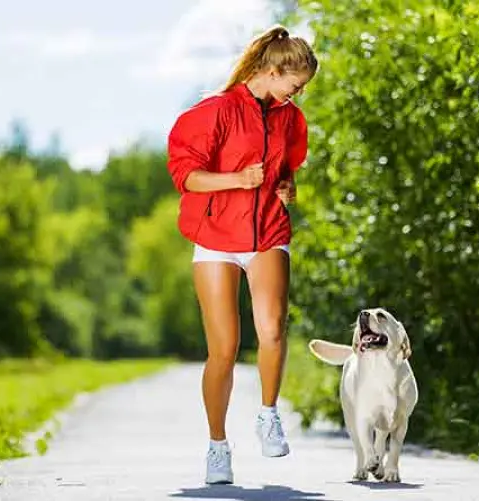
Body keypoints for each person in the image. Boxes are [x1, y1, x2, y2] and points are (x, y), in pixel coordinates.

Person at [165, 24, 318, 485]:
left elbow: (287, 167)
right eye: (296, 84)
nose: (299, 93)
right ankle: (217, 447)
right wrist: (236, 179)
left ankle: (268, 413)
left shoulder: (290, 118)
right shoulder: (215, 112)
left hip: (268, 232)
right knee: (224, 349)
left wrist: (288, 186)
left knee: (272, 329)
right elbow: (186, 176)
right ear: (272, 71)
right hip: (215, 237)